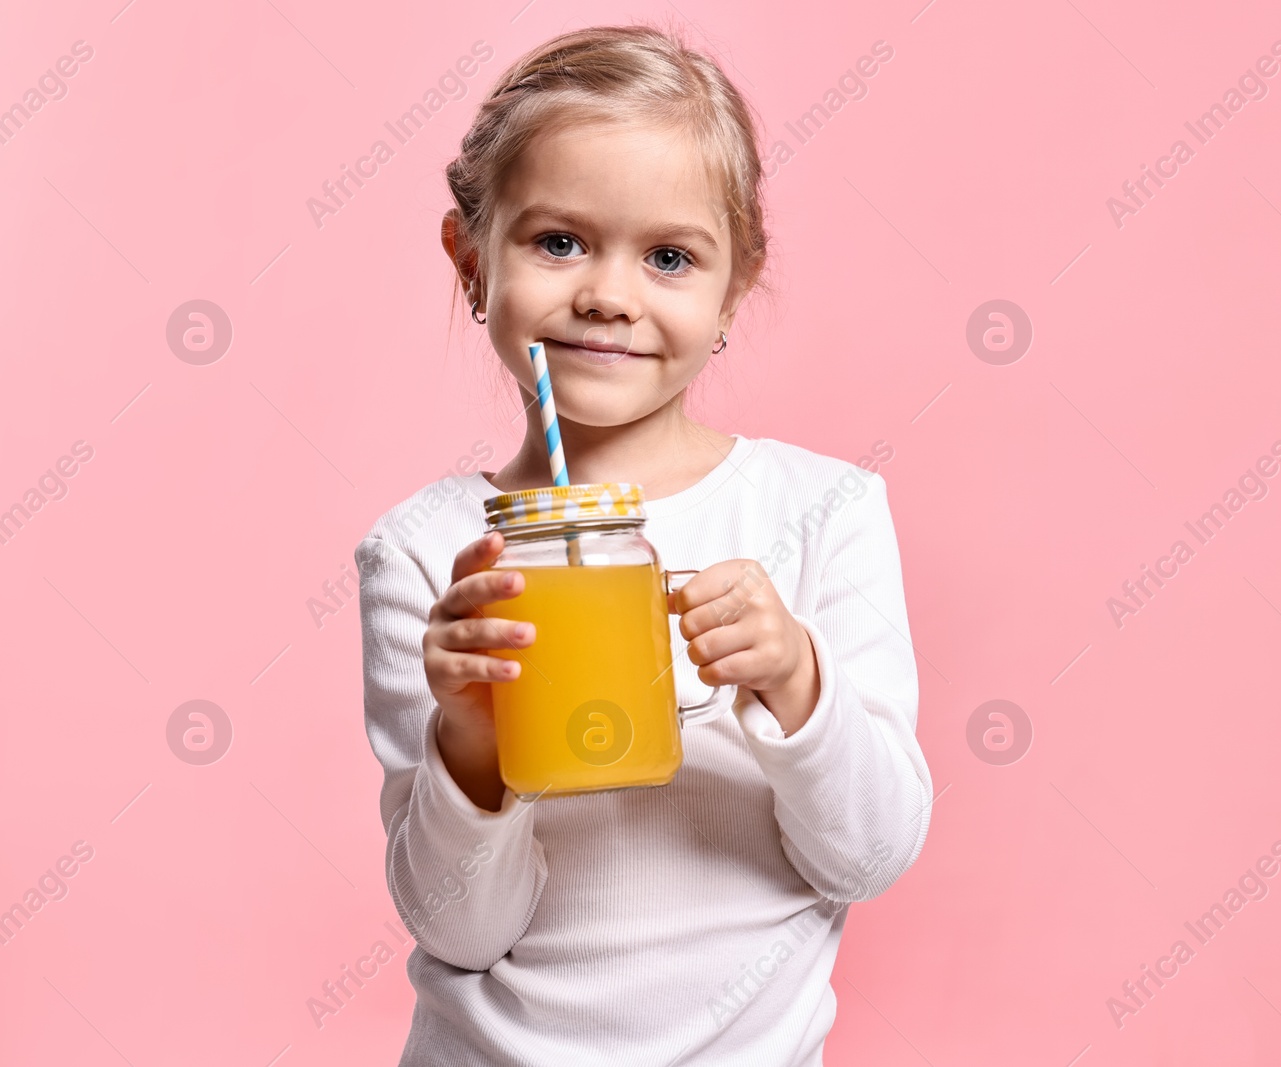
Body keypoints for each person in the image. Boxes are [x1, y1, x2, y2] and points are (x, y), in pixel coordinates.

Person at [354, 23, 932, 1065]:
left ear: (733, 288)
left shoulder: (824, 510)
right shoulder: (428, 554)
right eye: (558, 241)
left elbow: (870, 853)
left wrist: (798, 678)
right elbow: (458, 924)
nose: (608, 295)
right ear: (470, 258)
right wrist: (475, 740)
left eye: (668, 256)